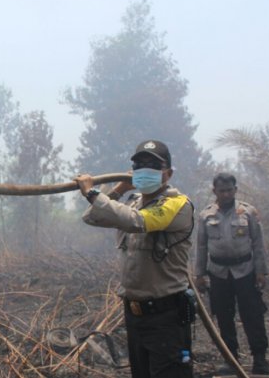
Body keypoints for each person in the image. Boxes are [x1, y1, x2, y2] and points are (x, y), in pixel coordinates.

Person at [75, 140, 195, 378]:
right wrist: (119, 189)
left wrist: (92, 192)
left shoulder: (177, 204)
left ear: (168, 173)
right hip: (135, 315)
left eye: (152, 165)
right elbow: (92, 218)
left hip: (166, 315)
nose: (143, 169)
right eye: (138, 165)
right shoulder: (133, 202)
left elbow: (138, 221)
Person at [194, 172, 269, 375]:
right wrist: (199, 275)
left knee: (253, 315)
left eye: (230, 190)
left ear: (235, 190)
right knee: (223, 317)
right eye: (222, 191)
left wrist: (261, 272)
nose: (226, 194)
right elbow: (201, 247)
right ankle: (231, 360)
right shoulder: (206, 215)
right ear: (215, 191)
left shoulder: (247, 212)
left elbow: (258, 244)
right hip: (218, 273)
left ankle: (260, 360)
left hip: (245, 271)